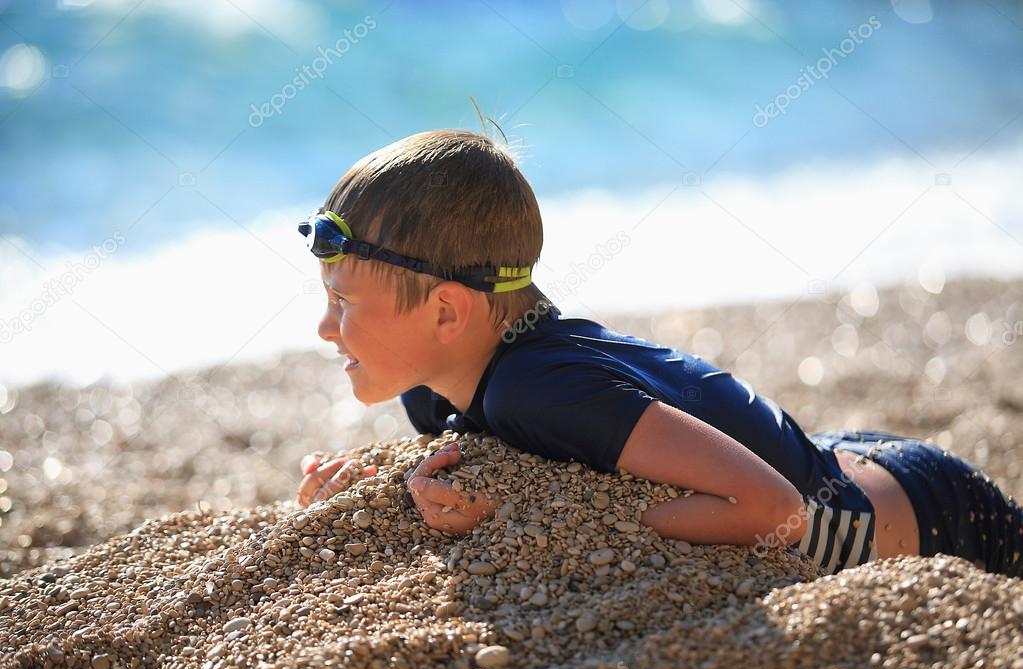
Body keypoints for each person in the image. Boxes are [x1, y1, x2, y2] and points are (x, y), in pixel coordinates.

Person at [294, 128, 1023, 577]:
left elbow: (775, 509)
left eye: (343, 302)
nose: (325, 328)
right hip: (836, 453)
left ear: (448, 310)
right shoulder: (434, 392)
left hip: (923, 512)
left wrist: (535, 524)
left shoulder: (537, 386)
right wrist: (365, 501)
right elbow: (516, 469)